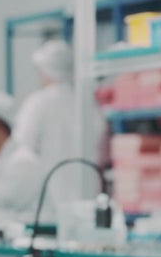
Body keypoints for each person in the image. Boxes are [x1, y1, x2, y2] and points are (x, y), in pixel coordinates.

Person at [13, 39, 108, 204]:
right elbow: (103, 151)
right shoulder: (88, 104)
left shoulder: (37, 102)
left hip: (48, 199)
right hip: (89, 196)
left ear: (46, 71)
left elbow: (23, 152)